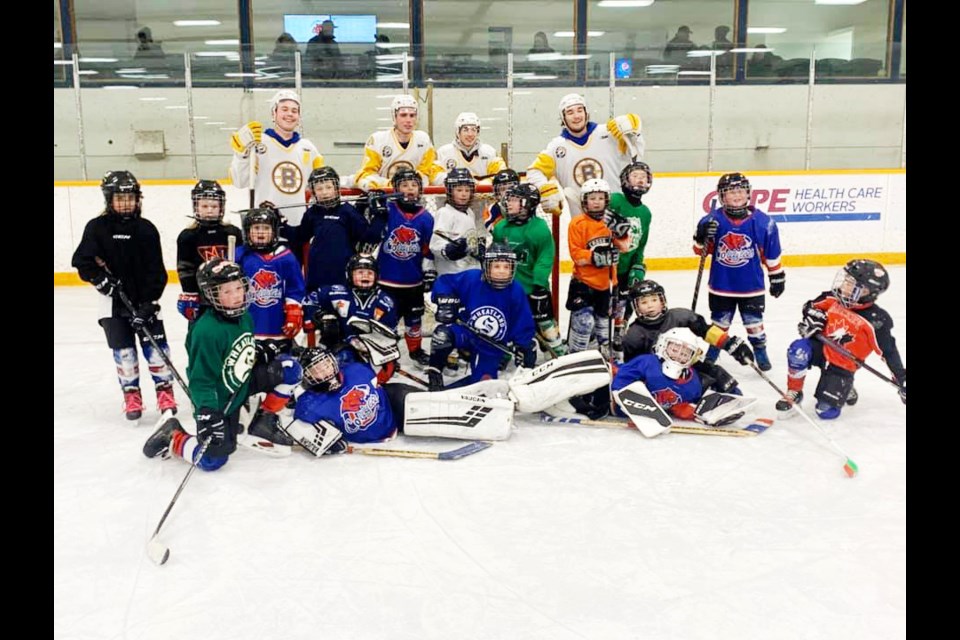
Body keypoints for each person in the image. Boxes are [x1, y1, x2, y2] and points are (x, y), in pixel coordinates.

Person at [142, 258, 305, 469]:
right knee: (213, 460)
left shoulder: (245, 316)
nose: (237, 296)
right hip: (220, 398)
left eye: (239, 288)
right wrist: (208, 412)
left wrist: (259, 350)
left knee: (290, 369)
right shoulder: (207, 331)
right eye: (226, 292)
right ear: (211, 295)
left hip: (242, 381)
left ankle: (263, 420)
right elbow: (201, 380)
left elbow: (239, 345)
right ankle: (172, 434)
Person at [71, 171, 177, 421]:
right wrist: (100, 279)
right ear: (109, 199)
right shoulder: (97, 228)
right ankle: (131, 394)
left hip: (145, 303)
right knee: (125, 353)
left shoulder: (146, 229)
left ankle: (165, 392)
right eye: (120, 198)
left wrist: (150, 302)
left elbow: (157, 270)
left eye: (130, 197)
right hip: (113, 304)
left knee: (157, 350)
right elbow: (82, 261)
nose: (126, 203)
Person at [776, 259, 906, 419]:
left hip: (842, 365)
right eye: (845, 279)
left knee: (825, 412)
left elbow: (888, 352)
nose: (843, 285)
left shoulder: (876, 320)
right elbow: (810, 306)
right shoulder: (834, 297)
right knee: (798, 350)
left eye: (850, 283)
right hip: (821, 348)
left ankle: (846, 387)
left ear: (866, 291)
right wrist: (814, 318)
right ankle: (794, 391)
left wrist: (902, 379)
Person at [693, 172, 785, 371]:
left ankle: (760, 350)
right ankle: (713, 351)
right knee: (719, 324)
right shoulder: (711, 220)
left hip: (751, 286)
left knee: (754, 324)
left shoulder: (764, 222)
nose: (737, 195)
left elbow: (772, 253)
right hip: (721, 285)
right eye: (731, 192)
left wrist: (776, 276)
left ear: (748, 193)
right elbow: (699, 251)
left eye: (741, 191)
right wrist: (702, 236)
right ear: (721, 196)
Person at [425, 242, 537, 391]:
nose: (502, 271)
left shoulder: (515, 290)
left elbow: (523, 321)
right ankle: (435, 373)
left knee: (484, 386)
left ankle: (454, 391)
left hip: (490, 345)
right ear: (487, 266)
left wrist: (524, 346)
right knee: (442, 335)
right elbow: (444, 282)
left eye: (506, 267)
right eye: (497, 266)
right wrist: (446, 301)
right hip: (466, 333)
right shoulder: (472, 279)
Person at [526, 93, 644, 216]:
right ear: (563, 118)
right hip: (582, 224)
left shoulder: (610, 132)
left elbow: (635, 156)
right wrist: (544, 189)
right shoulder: (556, 147)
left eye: (580, 110)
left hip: (617, 217)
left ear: (586, 113)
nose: (576, 116)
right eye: (570, 112)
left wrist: (634, 132)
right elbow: (534, 171)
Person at [228, 89, 324, 230]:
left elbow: (321, 184)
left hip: (298, 226)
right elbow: (240, 181)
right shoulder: (257, 142)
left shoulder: (308, 148)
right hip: (263, 227)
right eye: (284, 109)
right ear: (274, 113)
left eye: (294, 110)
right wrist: (241, 155)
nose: (290, 114)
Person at [491, 183, 565, 358]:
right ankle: (504, 354)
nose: (508, 203)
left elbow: (545, 258)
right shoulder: (501, 227)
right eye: (509, 199)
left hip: (533, 289)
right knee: (506, 321)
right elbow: (496, 255)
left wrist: (539, 285)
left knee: (545, 324)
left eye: (514, 200)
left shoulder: (539, 229)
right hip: (508, 288)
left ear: (528, 204)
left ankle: (556, 353)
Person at [301, 254, 400, 384]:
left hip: (365, 352)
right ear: (349, 274)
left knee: (363, 380)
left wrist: (387, 359)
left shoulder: (385, 302)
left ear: (377, 276)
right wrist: (316, 317)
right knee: (325, 372)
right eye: (360, 272)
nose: (365, 276)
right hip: (334, 345)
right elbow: (310, 300)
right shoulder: (337, 292)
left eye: (370, 273)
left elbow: (389, 335)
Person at [291, 167, 387, 294]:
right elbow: (300, 235)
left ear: (336, 188)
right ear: (313, 192)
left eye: (328, 187)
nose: (324, 192)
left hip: (343, 275)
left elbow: (368, 237)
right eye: (319, 189)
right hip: (317, 274)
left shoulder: (347, 211)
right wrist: (279, 223)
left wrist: (379, 214)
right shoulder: (312, 213)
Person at [376, 169, 436, 366]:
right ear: (395, 189)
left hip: (413, 282)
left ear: (420, 189)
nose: (409, 189)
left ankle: (415, 350)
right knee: (387, 321)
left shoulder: (426, 218)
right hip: (387, 281)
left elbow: (427, 250)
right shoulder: (389, 209)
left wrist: (428, 272)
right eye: (404, 185)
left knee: (414, 320)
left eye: (414, 185)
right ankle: (388, 352)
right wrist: (372, 200)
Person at [566, 179, 631, 356]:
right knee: (584, 323)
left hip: (606, 284)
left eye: (600, 198)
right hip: (583, 283)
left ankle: (601, 356)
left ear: (606, 200)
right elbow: (576, 255)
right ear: (584, 201)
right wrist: (596, 257)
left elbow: (625, 248)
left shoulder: (610, 222)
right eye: (592, 198)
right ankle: (574, 355)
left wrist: (622, 233)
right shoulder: (577, 223)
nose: (596, 201)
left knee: (603, 326)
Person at [175, 180, 243, 322]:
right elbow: (185, 269)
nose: (210, 210)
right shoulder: (187, 236)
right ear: (196, 207)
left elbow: (241, 265)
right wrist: (191, 293)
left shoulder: (232, 232)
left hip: (228, 297)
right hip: (202, 299)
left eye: (214, 206)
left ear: (221, 207)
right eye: (204, 206)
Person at [353, 94, 446, 192]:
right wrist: (392, 185)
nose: (408, 120)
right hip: (385, 198)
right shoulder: (378, 140)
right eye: (403, 115)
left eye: (412, 115)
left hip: (413, 198)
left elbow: (428, 171)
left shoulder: (423, 139)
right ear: (394, 116)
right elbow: (366, 174)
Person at [608, 161, 654, 352]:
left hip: (626, 268)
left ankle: (620, 328)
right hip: (606, 266)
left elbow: (640, 244)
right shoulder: (615, 200)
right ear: (625, 180)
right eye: (635, 175)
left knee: (625, 301)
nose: (640, 179)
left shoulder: (645, 213)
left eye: (644, 177)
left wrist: (638, 265)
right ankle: (597, 333)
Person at [430, 168, 483, 277]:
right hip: (452, 274)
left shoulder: (469, 212)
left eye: (467, 191)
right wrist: (449, 250)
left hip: (471, 271)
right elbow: (435, 244)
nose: (464, 194)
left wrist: (477, 248)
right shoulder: (444, 213)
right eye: (459, 190)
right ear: (450, 191)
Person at [436, 112, 506, 180]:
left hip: (482, 192)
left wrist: (483, 183)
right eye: (465, 130)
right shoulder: (443, 152)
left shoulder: (489, 152)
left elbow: (501, 175)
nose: (470, 134)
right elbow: (435, 176)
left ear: (478, 132)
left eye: (473, 129)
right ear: (458, 132)